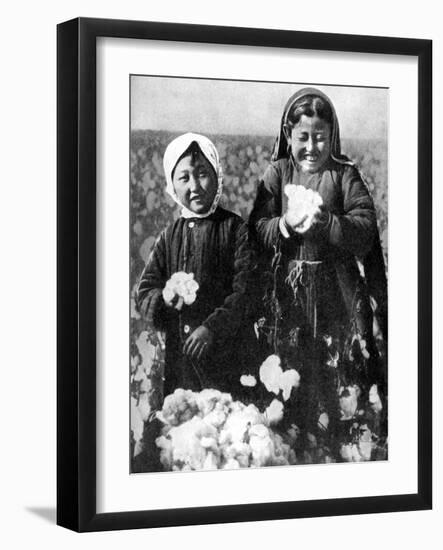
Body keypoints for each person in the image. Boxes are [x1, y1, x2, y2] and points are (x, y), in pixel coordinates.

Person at [249, 88, 387, 461]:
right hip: (288, 293)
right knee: (289, 372)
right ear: (288, 135)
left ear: (333, 136)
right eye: (303, 137)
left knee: (338, 370)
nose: (312, 146)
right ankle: (295, 443)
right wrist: (283, 224)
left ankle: (341, 442)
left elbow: (366, 228)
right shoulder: (276, 173)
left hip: (335, 295)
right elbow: (256, 228)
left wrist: (328, 223)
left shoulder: (344, 175)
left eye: (321, 137)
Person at [136, 133, 257, 400]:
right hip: (181, 363)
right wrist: (164, 298)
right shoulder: (170, 235)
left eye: (203, 174)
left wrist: (212, 328)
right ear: (172, 186)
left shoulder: (234, 228)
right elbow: (144, 291)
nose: (195, 186)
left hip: (226, 360)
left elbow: (246, 290)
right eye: (184, 178)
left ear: (217, 175)